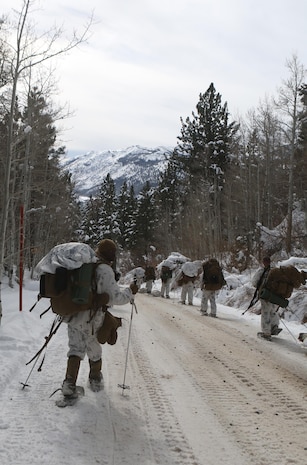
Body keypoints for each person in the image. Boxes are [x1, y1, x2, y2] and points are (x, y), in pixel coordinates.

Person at [62, 239, 138, 396]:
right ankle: (95, 379)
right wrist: (130, 292)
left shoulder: (82, 265)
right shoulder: (105, 270)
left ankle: (69, 385)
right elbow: (115, 297)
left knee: (75, 349)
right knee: (94, 348)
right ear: (111, 255)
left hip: (73, 314)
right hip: (93, 317)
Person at [251, 256, 281, 341]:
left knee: (265, 313)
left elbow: (254, 282)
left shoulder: (261, 271)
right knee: (273, 311)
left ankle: (266, 333)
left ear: (263, 262)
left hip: (266, 296)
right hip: (276, 296)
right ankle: (274, 327)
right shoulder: (276, 271)